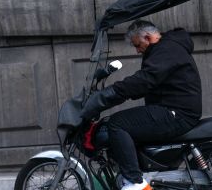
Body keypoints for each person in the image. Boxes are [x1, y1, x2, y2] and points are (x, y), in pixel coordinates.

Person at [81, 20, 202, 190]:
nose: (137, 50)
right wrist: (116, 93)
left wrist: (110, 94)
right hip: (171, 108)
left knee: (118, 123)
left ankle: (134, 182)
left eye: (137, 45)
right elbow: (146, 83)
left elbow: (145, 80)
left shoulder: (166, 50)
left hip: (176, 113)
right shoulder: (166, 48)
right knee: (125, 123)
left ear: (147, 37)